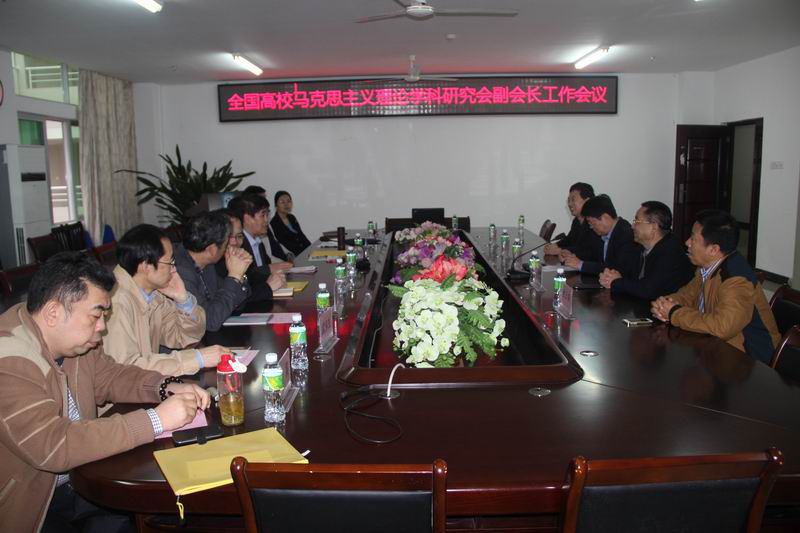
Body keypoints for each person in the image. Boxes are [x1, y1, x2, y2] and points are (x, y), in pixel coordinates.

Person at [0, 252, 209, 533]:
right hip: (30, 506)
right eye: (96, 315)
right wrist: (155, 420)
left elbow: (112, 376)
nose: (102, 326)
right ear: (53, 313)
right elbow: (54, 445)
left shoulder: (74, 342)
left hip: (81, 479)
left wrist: (165, 386)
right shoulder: (9, 360)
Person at [651, 210, 780, 364]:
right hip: (715, 350)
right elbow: (687, 295)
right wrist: (665, 304)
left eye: (693, 239)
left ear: (714, 249)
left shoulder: (736, 280)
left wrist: (674, 313)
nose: (687, 243)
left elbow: (723, 327)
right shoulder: (706, 268)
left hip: (750, 362)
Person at [103, 224, 226, 375]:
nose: (174, 268)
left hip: (147, 384)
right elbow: (126, 370)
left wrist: (183, 300)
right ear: (146, 266)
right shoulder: (115, 303)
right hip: (128, 387)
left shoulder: (151, 294)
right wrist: (197, 359)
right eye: (170, 262)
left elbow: (181, 337)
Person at [175, 211, 253, 332]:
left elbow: (238, 303)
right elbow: (210, 321)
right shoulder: (180, 271)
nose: (230, 246)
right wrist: (234, 276)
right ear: (211, 250)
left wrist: (240, 276)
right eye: (226, 243)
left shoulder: (206, 263)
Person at [599, 201, 694, 300]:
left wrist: (616, 282)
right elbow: (628, 275)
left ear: (654, 227)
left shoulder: (670, 250)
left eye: (637, 221)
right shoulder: (639, 247)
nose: (632, 226)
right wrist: (610, 276)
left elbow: (648, 290)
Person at [562, 194, 642, 279]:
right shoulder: (605, 233)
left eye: (592, 223)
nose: (591, 227)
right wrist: (573, 256)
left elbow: (617, 268)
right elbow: (593, 255)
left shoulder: (626, 235)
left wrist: (581, 265)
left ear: (605, 218)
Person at [227, 193, 290, 293]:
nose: (266, 220)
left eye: (267, 215)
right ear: (247, 219)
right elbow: (246, 278)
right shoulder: (238, 244)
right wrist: (268, 268)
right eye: (263, 215)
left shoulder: (259, 243)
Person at [543, 182, 603, 262]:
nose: (569, 204)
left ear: (587, 201)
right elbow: (569, 239)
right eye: (568, 200)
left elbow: (588, 250)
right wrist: (555, 245)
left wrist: (560, 250)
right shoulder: (577, 221)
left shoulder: (595, 222)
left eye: (573, 200)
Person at [240, 185, 293, 261]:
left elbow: (276, 242)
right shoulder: (247, 240)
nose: (266, 219)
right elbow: (268, 260)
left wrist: (288, 254)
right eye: (261, 198)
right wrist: (285, 264)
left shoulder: (265, 225)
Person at [270, 190, 312, 256]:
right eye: (282, 202)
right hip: (293, 256)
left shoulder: (292, 217)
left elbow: (301, 235)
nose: (286, 204)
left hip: (304, 252)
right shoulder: (274, 223)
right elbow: (284, 244)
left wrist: (311, 248)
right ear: (276, 205)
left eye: (288, 201)